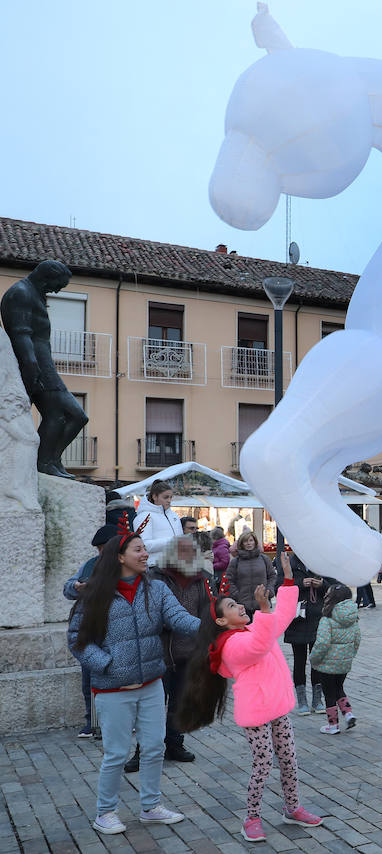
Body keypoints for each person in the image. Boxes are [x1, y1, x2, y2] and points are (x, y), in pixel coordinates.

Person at [174, 555, 323, 842]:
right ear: (220, 620)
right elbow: (257, 647)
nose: (241, 606)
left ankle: (292, 807)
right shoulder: (229, 644)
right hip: (256, 713)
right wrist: (265, 609)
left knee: (289, 759)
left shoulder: (255, 627)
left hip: (278, 706)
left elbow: (281, 619)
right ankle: (251, 817)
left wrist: (288, 581)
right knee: (264, 763)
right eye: (232, 606)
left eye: (238, 603)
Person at [66, 519, 201, 835]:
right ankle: (105, 812)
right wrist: (107, 665)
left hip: (152, 683)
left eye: (144, 549)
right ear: (120, 556)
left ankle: (151, 807)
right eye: (138, 549)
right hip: (113, 688)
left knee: (154, 747)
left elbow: (179, 618)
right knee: (116, 754)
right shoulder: (96, 594)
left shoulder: (155, 588)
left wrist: (213, 627)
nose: (145, 555)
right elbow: (77, 639)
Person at [0, 259, 88, 477]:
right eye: (58, 285)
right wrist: (31, 367)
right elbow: (20, 334)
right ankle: (45, 462)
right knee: (73, 415)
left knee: (62, 416)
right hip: (35, 365)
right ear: (46, 277)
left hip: (42, 363)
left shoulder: (32, 293)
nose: (57, 290)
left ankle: (50, 461)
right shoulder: (21, 293)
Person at [145, 536, 214, 767]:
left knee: (180, 702)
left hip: (189, 653)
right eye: (181, 551)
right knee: (153, 705)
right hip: (160, 653)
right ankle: (144, 749)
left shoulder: (202, 579)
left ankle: (174, 743)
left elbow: (208, 613)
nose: (187, 555)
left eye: (190, 551)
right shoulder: (156, 577)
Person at [63, 523, 119, 738]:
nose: (101, 553)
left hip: (116, 631)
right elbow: (67, 588)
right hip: (91, 629)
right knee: (89, 681)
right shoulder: (90, 565)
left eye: (105, 548)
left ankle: (118, 722)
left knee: (116, 681)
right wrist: (76, 587)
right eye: (99, 549)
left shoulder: (127, 567)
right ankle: (93, 723)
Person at [281, 554, 330, 716]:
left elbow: (336, 588)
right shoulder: (290, 563)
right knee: (299, 660)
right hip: (297, 619)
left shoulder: (322, 563)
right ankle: (302, 700)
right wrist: (300, 583)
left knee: (317, 659)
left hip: (318, 618)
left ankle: (317, 699)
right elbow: (279, 587)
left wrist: (322, 584)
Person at [310, 584, 361, 734]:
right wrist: (350, 655)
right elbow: (357, 639)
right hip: (344, 663)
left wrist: (314, 658)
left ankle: (333, 726)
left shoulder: (327, 618)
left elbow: (322, 643)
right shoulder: (353, 617)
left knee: (329, 694)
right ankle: (348, 714)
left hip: (327, 665)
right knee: (339, 688)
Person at [222, 531, 276, 616]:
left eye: (251, 540)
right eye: (245, 541)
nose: (248, 543)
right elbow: (228, 580)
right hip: (242, 605)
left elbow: (272, 576)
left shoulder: (264, 559)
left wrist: (269, 591)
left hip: (262, 603)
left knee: (262, 628)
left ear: (255, 542)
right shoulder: (236, 561)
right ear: (241, 544)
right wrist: (237, 595)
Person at [132, 481, 181, 571]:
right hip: (154, 566)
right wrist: (171, 541)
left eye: (171, 497)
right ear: (154, 496)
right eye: (166, 497)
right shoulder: (145, 516)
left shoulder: (174, 515)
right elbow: (143, 545)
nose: (169, 500)